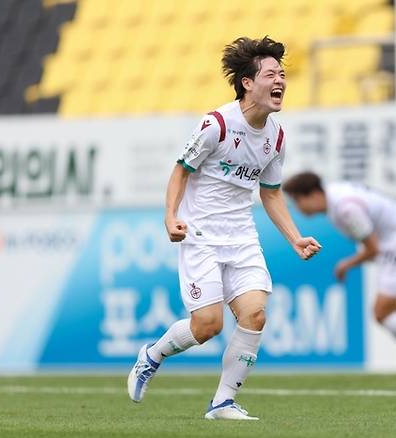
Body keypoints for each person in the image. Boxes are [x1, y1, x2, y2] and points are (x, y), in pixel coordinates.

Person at [127, 37, 321, 420]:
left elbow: (271, 193)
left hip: (242, 238)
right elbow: (180, 170)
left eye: (283, 74)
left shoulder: (276, 138)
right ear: (248, 82)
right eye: (271, 74)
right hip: (201, 237)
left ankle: (223, 402)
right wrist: (170, 217)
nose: (280, 80)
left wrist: (295, 237)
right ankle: (151, 355)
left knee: (255, 315)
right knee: (208, 326)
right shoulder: (216, 125)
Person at [282, 172, 396, 379]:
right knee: (393, 307)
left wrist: (346, 264)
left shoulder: (345, 209)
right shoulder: (336, 195)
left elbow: (373, 249)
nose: (298, 208)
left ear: (314, 194)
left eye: (298, 200)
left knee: (382, 313)